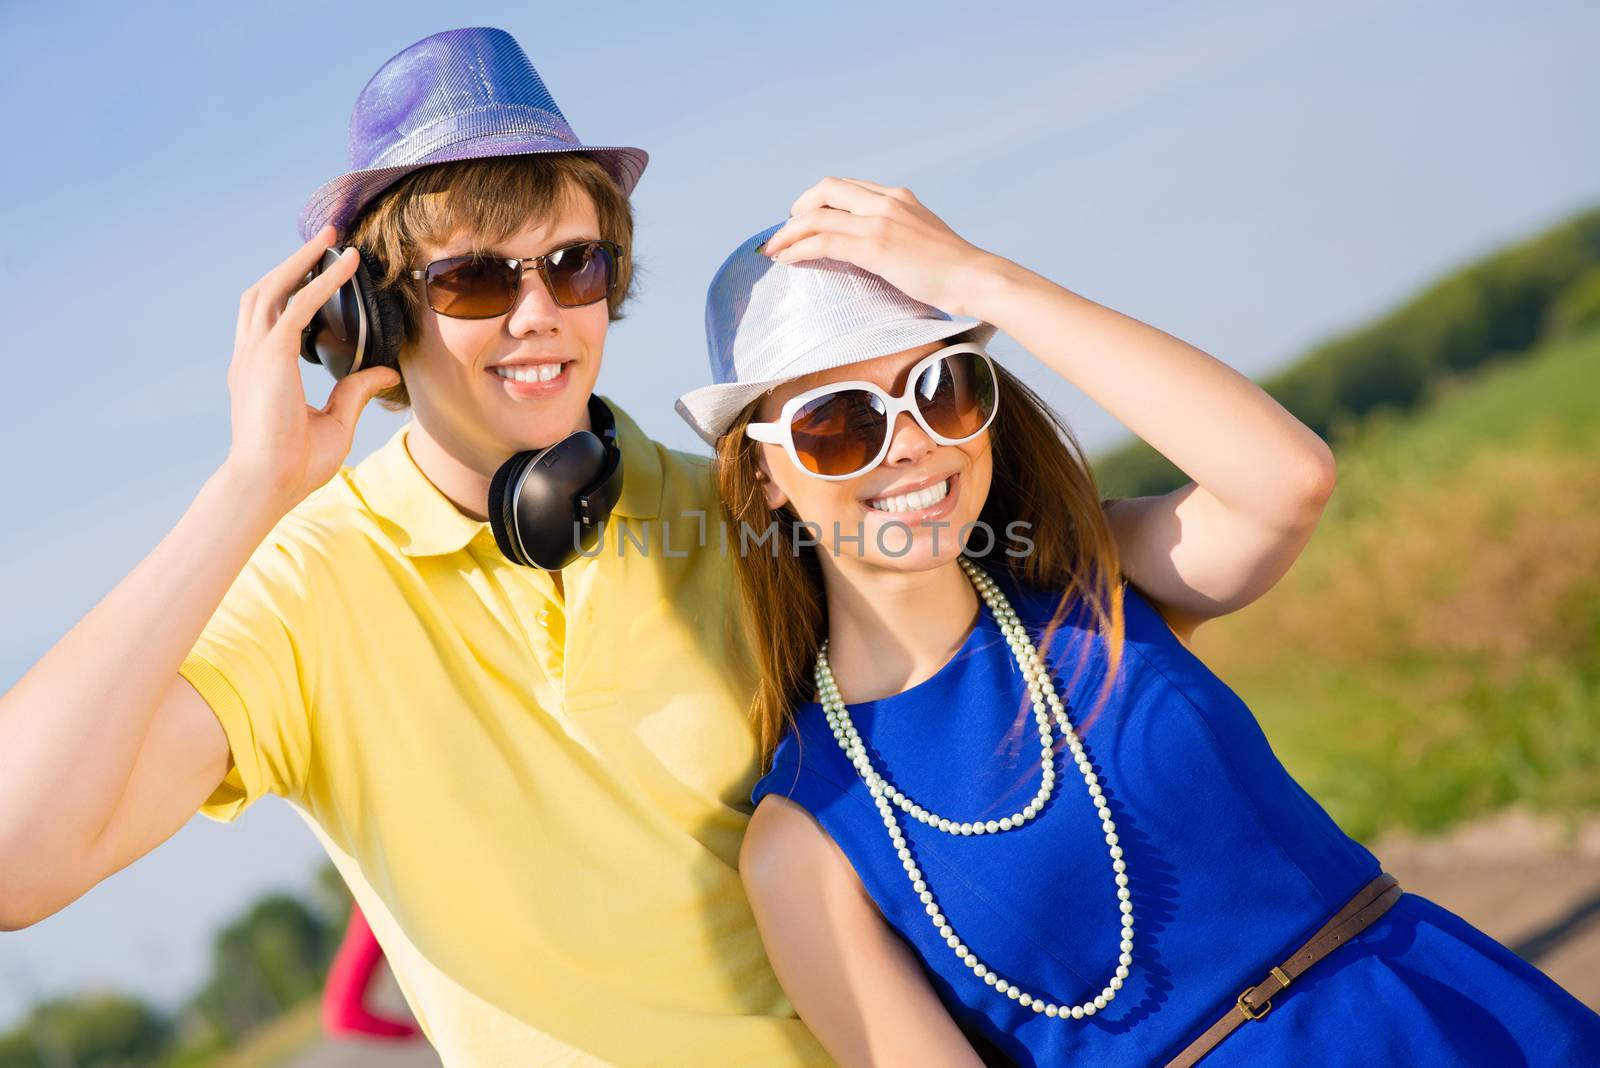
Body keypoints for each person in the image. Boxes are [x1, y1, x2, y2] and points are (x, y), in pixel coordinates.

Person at [0, 28, 831, 1066]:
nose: (540, 315)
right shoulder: (307, 590)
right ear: (371, 318)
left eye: (574, 266)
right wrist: (247, 489)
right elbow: (12, 866)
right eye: (477, 281)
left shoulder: (739, 508)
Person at [675, 177, 1600, 1066]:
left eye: (941, 386)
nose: (912, 440)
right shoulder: (809, 833)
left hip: (1462, 1022)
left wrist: (979, 278)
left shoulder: (1095, 576)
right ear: (762, 475)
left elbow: (1287, 481)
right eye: (837, 424)